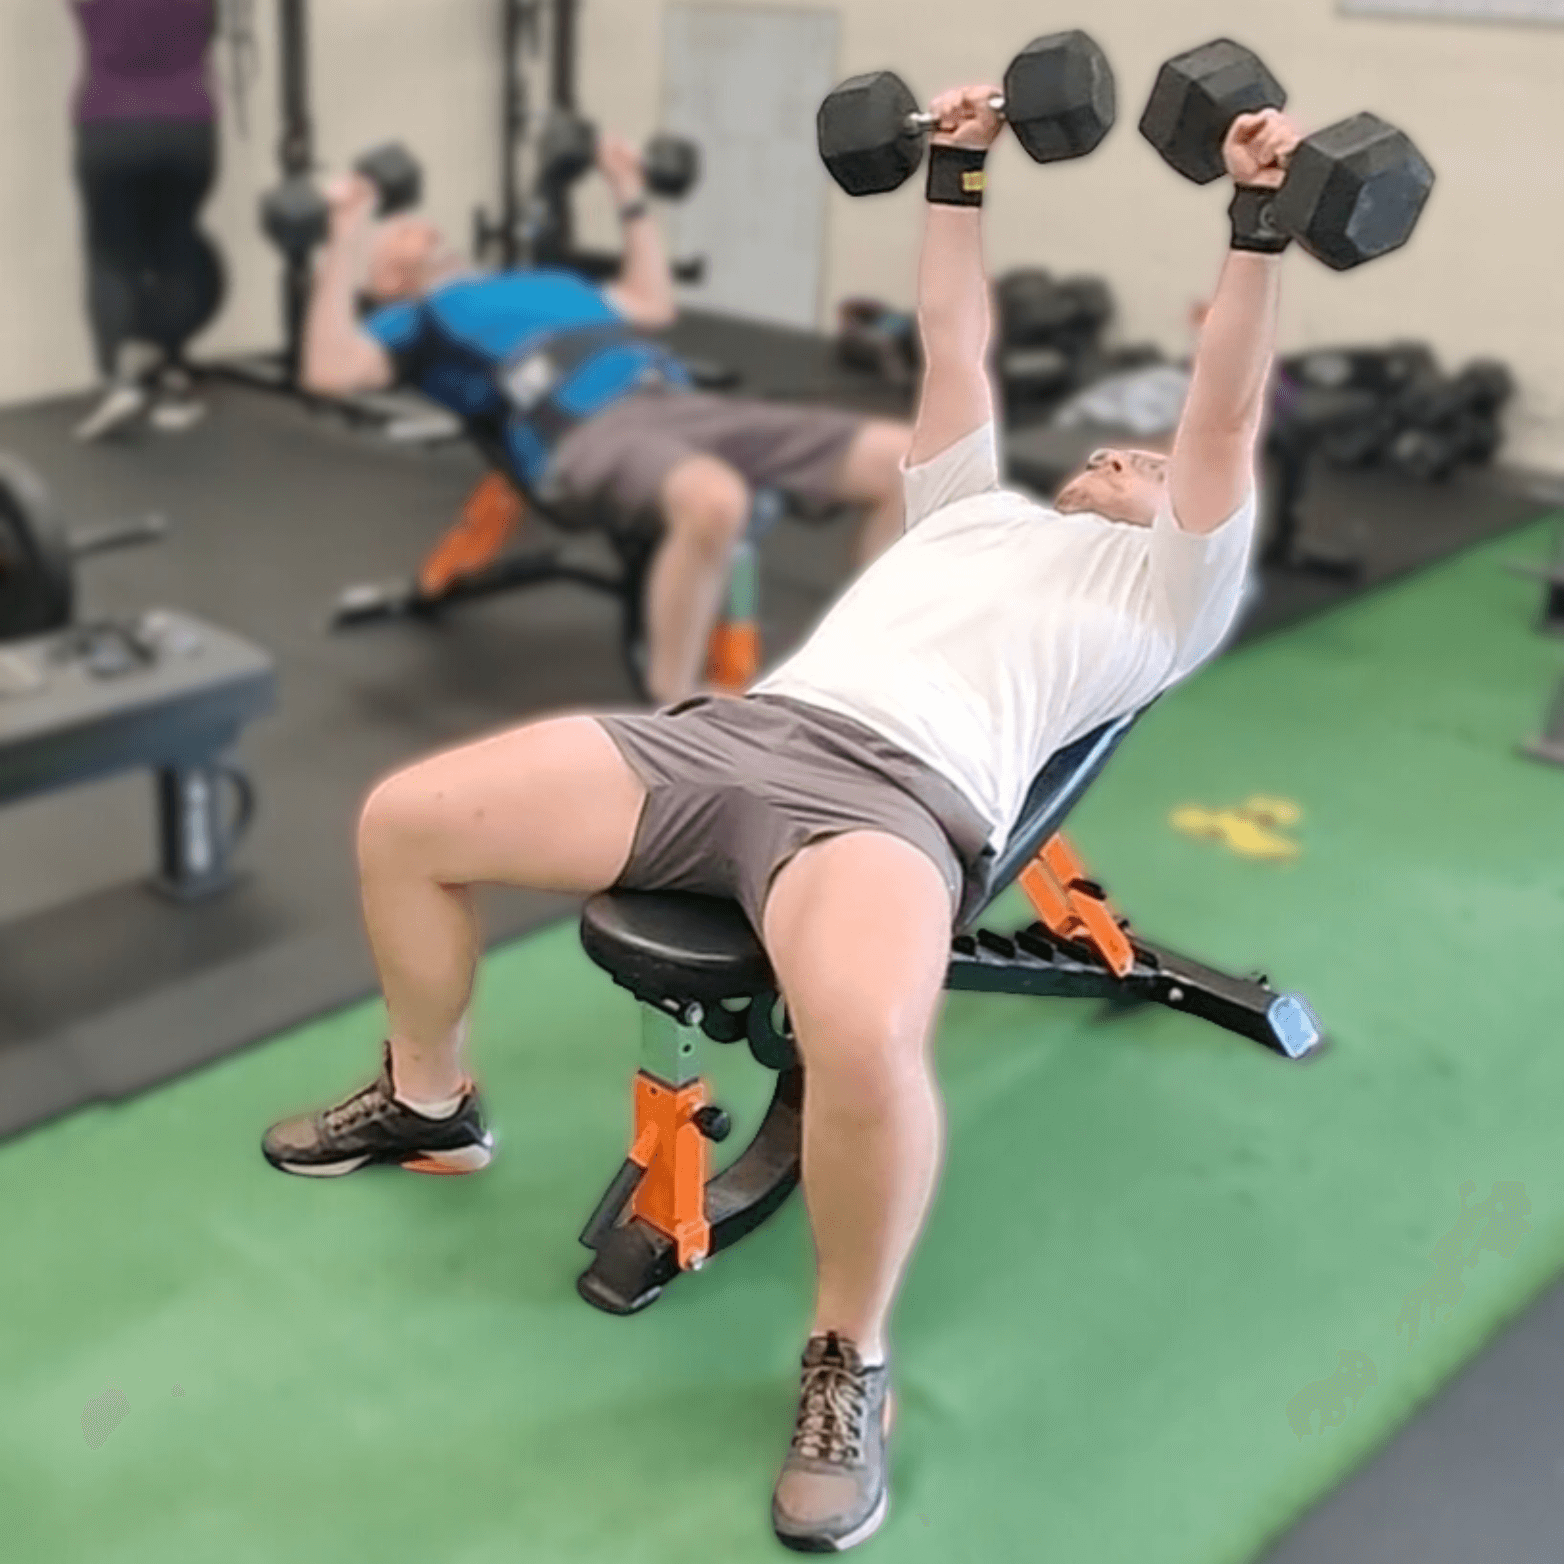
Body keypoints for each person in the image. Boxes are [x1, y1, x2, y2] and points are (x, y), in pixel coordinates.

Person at [264, 86, 1295, 1553]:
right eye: (1108, 455)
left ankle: (845, 1358)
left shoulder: (1168, 592)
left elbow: (1224, 406)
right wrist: (954, 168)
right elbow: (957, 339)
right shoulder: (970, 510)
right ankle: (430, 1102)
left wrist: (1256, 223)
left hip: (888, 804)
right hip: (724, 744)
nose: (1119, 461)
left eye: (1142, 466)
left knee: (867, 1039)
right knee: (405, 818)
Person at [302, 134, 911, 707]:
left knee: (906, 459)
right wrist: (345, 236)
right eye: (401, 233)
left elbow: (652, 303)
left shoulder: (547, 282)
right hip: (585, 433)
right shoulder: (417, 320)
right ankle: (675, 704)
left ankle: (852, 677)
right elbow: (328, 370)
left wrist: (628, 190)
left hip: (680, 401)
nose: (421, 227)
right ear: (386, 280)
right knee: (717, 499)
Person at [68, 0, 228, 441]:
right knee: (176, 245)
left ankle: (117, 380)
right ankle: (173, 379)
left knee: (111, 257)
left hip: (110, 123)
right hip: (188, 126)